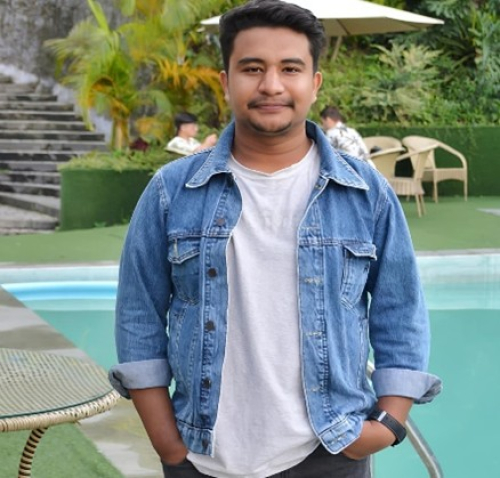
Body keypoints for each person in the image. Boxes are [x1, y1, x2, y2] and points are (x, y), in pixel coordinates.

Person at [109, 1, 442, 477]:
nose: (271, 85)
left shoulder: (365, 193)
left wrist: (387, 425)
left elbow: (400, 311)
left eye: (290, 68)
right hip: (202, 456)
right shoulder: (172, 191)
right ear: (226, 81)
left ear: (315, 82)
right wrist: (166, 442)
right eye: (252, 68)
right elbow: (138, 313)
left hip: (330, 453)